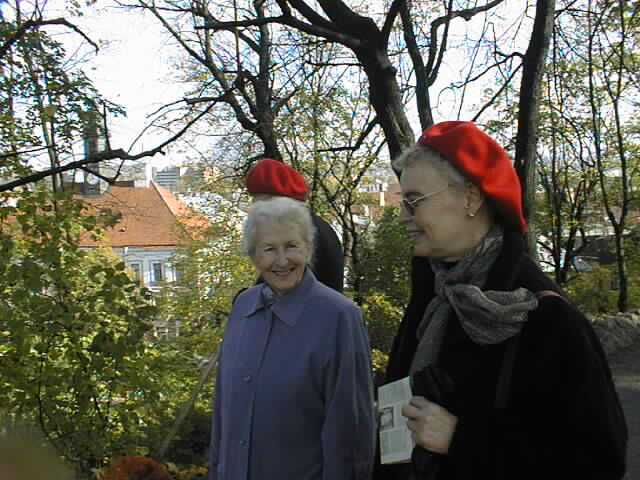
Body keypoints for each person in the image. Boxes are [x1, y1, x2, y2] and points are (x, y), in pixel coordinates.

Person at [373, 121, 627, 479]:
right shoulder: (432, 299)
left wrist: (461, 439)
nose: (402, 216)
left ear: (470, 198)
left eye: (413, 201)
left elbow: (599, 460)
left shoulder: (545, 317)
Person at [208, 197, 375, 480]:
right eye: (269, 249)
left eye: (292, 246)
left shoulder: (339, 316)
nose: (282, 260)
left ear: (308, 249)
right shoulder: (243, 307)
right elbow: (222, 411)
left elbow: (350, 430)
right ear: (254, 256)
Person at [245, 158, 345, 292]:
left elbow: (282, 282)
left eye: (261, 201)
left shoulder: (303, 231)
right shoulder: (312, 225)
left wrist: (247, 298)